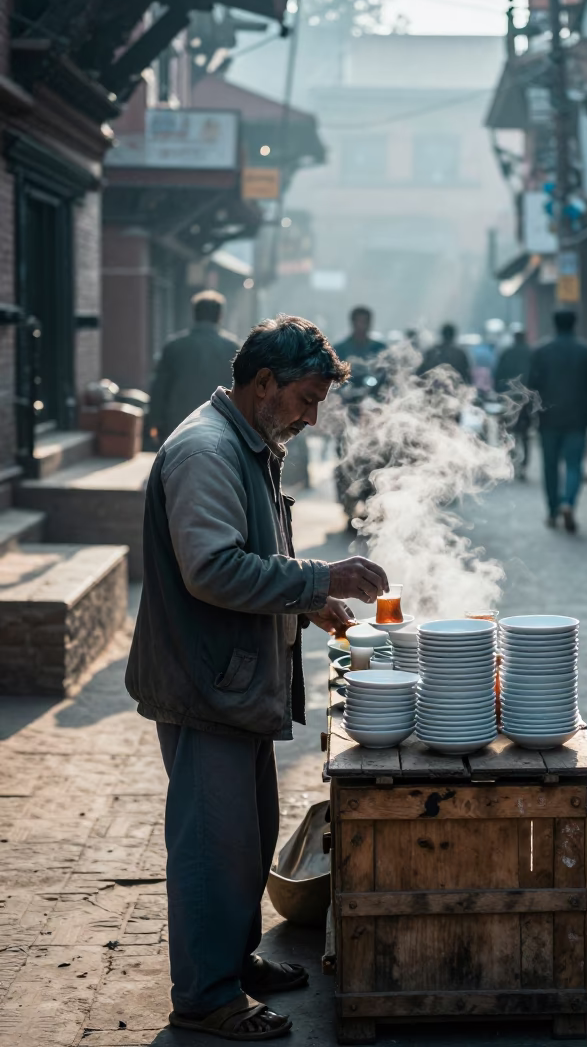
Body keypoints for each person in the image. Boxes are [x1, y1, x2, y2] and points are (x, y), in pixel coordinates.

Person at [126, 315, 389, 1041]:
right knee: (213, 846)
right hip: (204, 681)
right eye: (305, 400)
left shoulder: (251, 440)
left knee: (249, 835)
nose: (310, 418)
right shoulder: (207, 451)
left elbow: (253, 554)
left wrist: (313, 603)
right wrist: (317, 576)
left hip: (237, 679)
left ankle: (233, 961)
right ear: (263, 383)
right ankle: (206, 997)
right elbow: (211, 568)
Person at [528, 309, 587, 533]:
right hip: (577, 418)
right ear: (575, 324)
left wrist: (527, 415)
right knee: (574, 465)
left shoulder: (541, 351)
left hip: (549, 419)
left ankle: (553, 511)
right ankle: (568, 503)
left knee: (550, 466)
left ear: (554, 324)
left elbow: (531, 387)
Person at [148, 290, 240, 444]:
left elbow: (160, 387)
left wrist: (155, 421)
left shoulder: (174, 346)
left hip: (177, 424)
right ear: (220, 316)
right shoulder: (233, 349)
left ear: (194, 314)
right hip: (220, 423)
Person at [495, 329, 533, 479]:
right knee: (525, 433)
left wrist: (498, 393)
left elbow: (498, 374)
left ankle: (511, 462)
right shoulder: (531, 353)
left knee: (508, 431)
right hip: (526, 398)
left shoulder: (507, 353)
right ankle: (524, 466)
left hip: (508, 397)